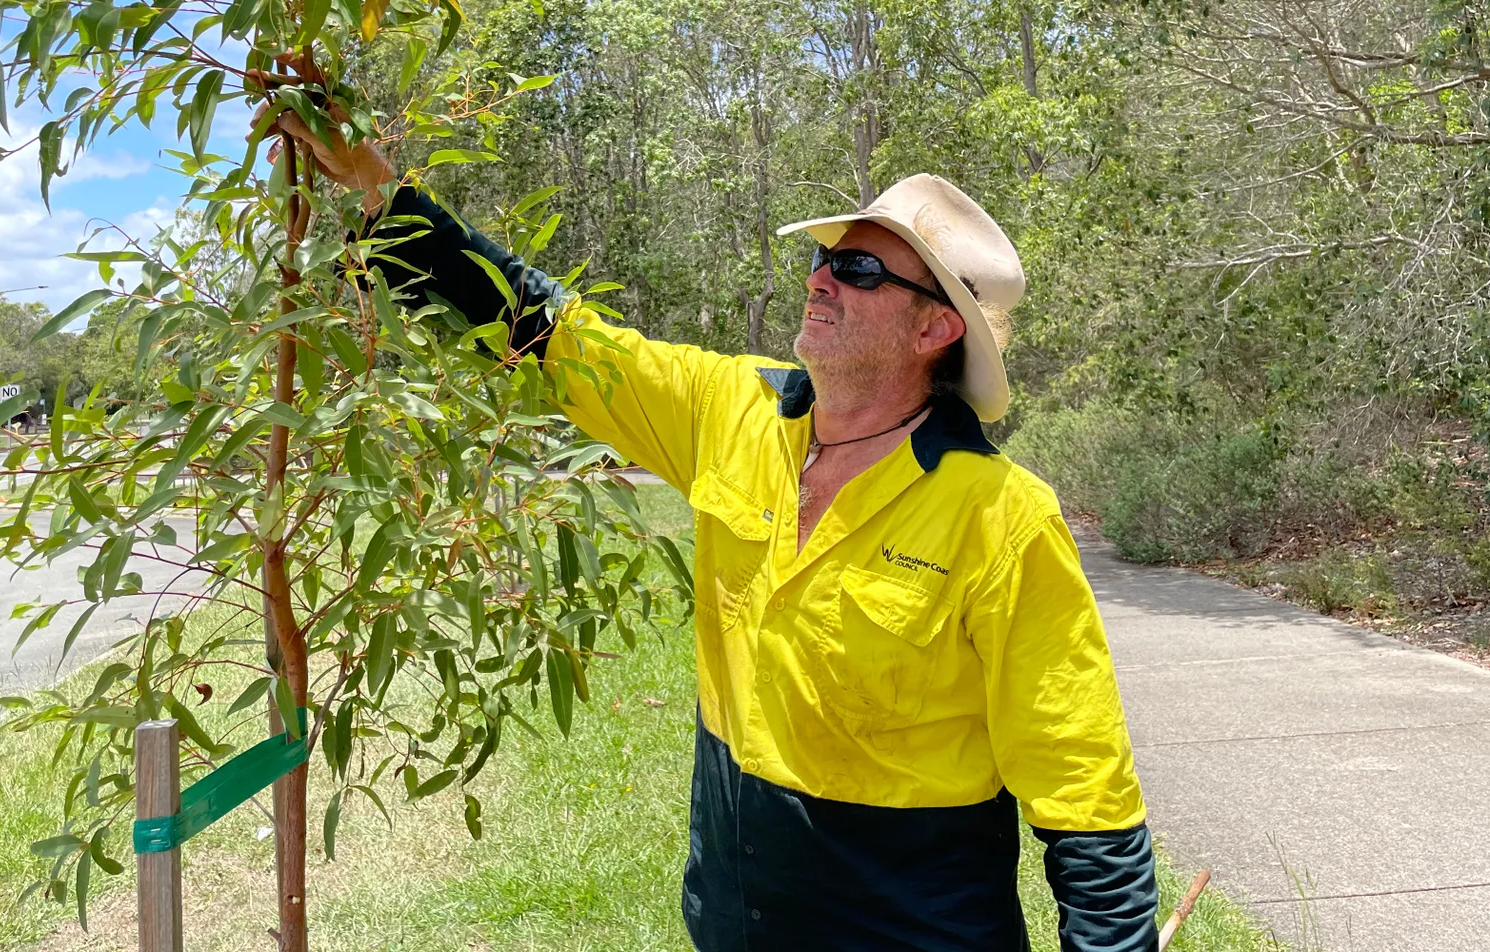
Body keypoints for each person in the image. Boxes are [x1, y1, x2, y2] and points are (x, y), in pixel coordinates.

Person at [280, 111, 1159, 951]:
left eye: (860, 272)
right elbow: (551, 337)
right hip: (737, 925)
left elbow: (1087, 801)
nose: (820, 277)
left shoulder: (1002, 519)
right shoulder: (732, 411)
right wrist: (383, 195)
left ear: (935, 326)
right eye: (826, 260)